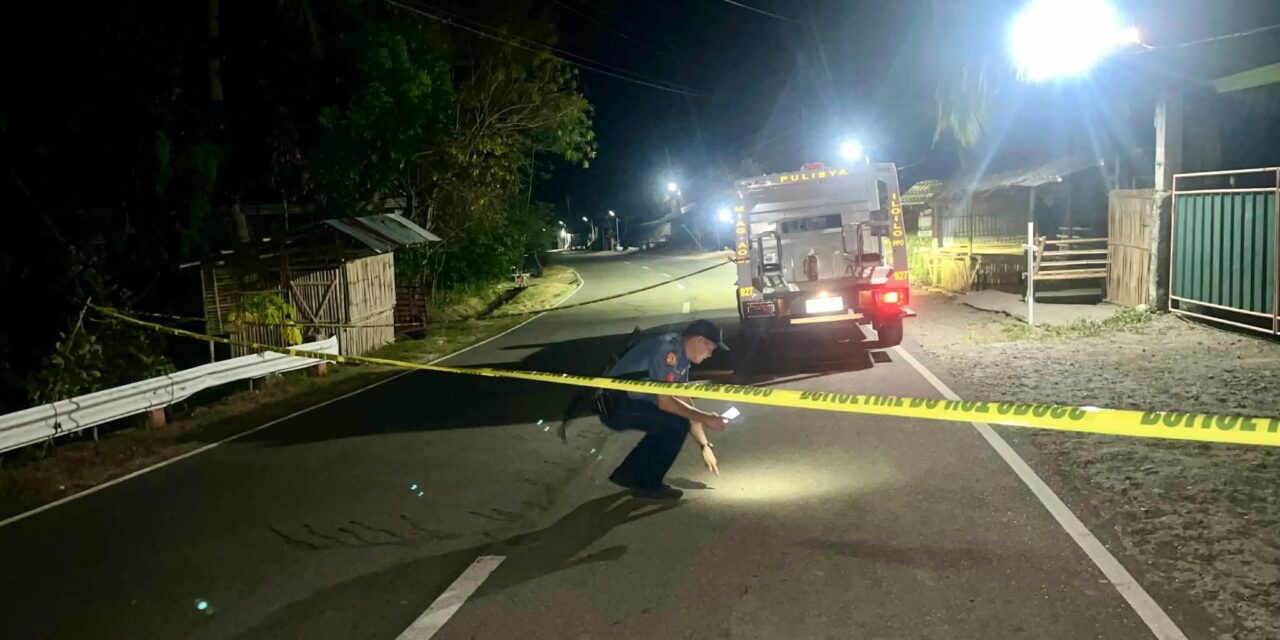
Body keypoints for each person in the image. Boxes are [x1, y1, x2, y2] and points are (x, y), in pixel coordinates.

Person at [595, 319, 730, 500]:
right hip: (615, 405)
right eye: (710, 349)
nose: (710, 355)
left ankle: (628, 473)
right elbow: (665, 402)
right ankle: (649, 484)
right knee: (675, 424)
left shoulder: (681, 357)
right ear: (699, 341)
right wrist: (707, 418)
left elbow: (684, 400)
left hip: (626, 401)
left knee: (669, 423)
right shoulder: (668, 352)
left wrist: (704, 445)